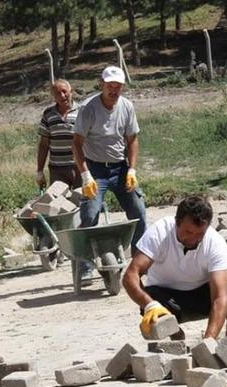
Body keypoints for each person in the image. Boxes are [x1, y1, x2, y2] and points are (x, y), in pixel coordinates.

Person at [122, 196, 227, 340]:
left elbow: (219, 298)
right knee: (149, 300)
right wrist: (150, 305)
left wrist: (208, 343)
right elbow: (130, 276)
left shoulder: (215, 243)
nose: (193, 239)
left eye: (200, 234)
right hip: (166, 300)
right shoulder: (160, 232)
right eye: (188, 232)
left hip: (204, 296)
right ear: (177, 223)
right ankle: (175, 334)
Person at [73, 66, 147, 279]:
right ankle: (85, 266)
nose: (114, 90)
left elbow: (132, 140)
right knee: (90, 214)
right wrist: (85, 175)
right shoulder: (88, 108)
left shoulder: (127, 107)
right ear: (102, 84)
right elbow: (76, 143)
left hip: (120, 168)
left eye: (118, 87)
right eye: (110, 86)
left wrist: (132, 170)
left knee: (139, 211)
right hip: (95, 169)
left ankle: (140, 261)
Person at [37, 79, 83, 189]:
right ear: (54, 96)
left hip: (80, 167)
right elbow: (44, 145)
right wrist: (39, 171)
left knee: (82, 198)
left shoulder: (82, 111)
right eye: (58, 93)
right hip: (57, 170)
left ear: (71, 91)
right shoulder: (48, 114)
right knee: (57, 199)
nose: (62, 96)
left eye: (64, 91)